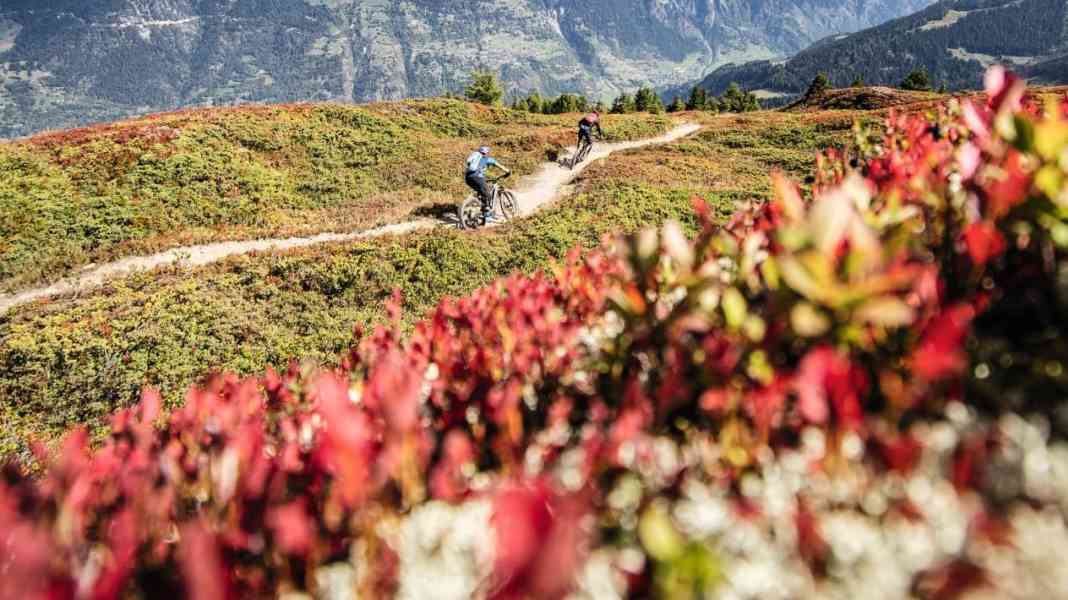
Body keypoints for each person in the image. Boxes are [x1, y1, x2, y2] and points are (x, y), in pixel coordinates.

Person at [464, 146, 511, 222]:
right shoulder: (487, 159)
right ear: (487, 153)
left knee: (482, 193)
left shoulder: (475, 158)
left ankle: (479, 208)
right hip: (478, 177)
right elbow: (499, 165)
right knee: (487, 194)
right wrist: (508, 171)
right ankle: (487, 214)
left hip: (468, 178)